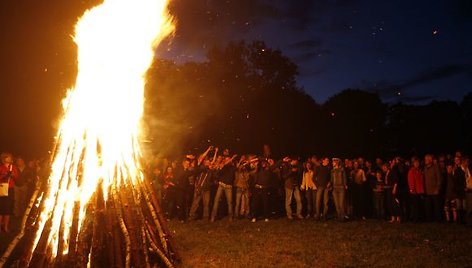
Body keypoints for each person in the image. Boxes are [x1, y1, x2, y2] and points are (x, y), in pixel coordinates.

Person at [211, 154, 237, 222]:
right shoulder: (223, 167)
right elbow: (217, 174)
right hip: (221, 185)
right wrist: (221, 167)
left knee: (230, 202)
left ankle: (230, 217)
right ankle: (213, 217)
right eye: (226, 160)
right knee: (216, 201)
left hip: (229, 187)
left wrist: (232, 160)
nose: (227, 161)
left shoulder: (233, 167)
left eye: (228, 159)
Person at [0, 153, 19, 233]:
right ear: (4, 159)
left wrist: (13, 175)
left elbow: (16, 178)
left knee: (8, 209)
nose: (10, 159)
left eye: (10, 157)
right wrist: (4, 176)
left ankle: (6, 227)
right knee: (1, 208)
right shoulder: (1, 167)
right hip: (2, 189)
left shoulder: (13, 167)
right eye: (8, 157)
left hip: (10, 189)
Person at [423, 154, 443, 221]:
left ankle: (438, 219)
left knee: (436, 206)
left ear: (430, 160)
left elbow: (439, 179)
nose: (425, 161)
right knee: (428, 206)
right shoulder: (425, 168)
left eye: (426, 159)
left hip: (435, 190)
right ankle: (429, 219)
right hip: (427, 191)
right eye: (425, 159)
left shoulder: (436, 167)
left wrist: (437, 188)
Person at [408, 158, 425, 222]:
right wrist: (412, 190)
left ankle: (419, 218)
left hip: (420, 190)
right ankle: (415, 219)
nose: (417, 164)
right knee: (415, 206)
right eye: (415, 163)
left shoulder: (420, 170)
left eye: (418, 162)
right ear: (413, 164)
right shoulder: (411, 171)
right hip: (415, 191)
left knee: (419, 205)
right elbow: (411, 181)